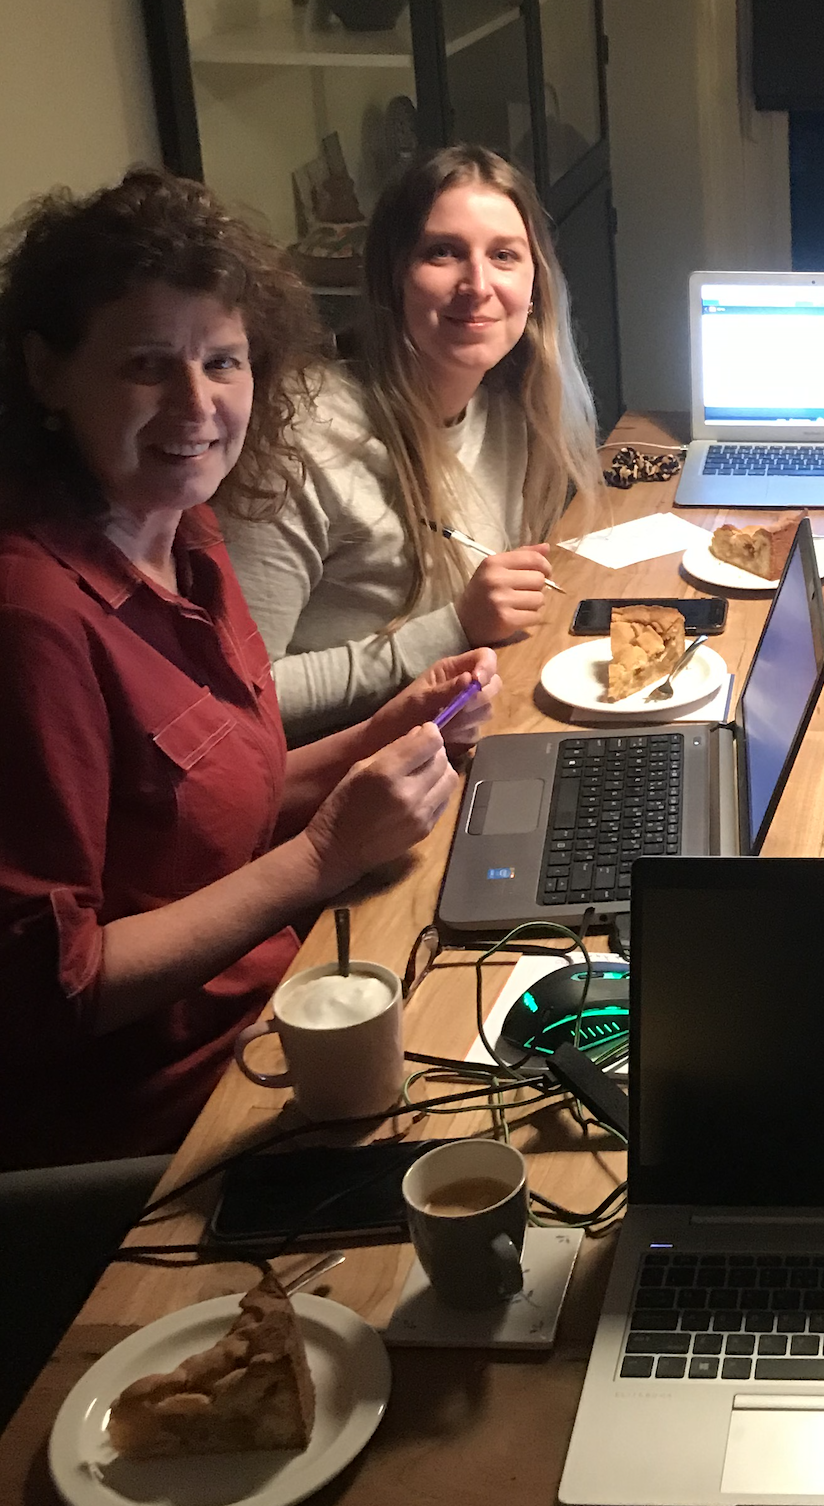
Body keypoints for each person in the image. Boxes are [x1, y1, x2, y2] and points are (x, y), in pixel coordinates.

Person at [0, 169, 501, 1170]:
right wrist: (324, 856)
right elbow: (51, 991)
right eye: (147, 365)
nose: (196, 405)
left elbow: (211, 803)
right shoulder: (34, 620)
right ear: (48, 373)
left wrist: (380, 734)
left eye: (222, 362)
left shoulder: (188, 534)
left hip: (293, 1012)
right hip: (171, 1129)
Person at [219, 144, 601, 742]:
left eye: (504, 255)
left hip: (451, 737)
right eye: (443, 252)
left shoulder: (509, 408)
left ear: (535, 285)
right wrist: (453, 628)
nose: (478, 285)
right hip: (342, 772)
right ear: (392, 277)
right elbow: (239, 698)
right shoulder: (295, 444)